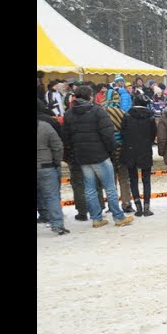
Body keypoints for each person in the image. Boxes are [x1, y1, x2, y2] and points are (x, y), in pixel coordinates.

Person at [62, 86, 135, 228]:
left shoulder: (69, 114)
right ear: (90, 96)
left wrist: (73, 153)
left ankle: (96, 218)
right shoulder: (97, 111)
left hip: (82, 156)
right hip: (100, 154)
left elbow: (66, 137)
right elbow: (107, 134)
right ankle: (118, 217)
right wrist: (112, 151)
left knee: (89, 189)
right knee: (110, 187)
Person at [121, 94, 158, 216]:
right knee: (146, 179)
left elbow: (123, 133)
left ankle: (138, 207)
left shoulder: (127, 116)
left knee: (133, 179)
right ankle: (147, 207)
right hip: (145, 149)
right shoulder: (150, 118)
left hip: (130, 150)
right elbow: (153, 135)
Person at [37, 101, 69, 236]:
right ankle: (57, 224)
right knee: (52, 196)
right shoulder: (45, 126)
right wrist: (56, 160)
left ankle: (44, 215)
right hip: (46, 165)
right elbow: (58, 146)